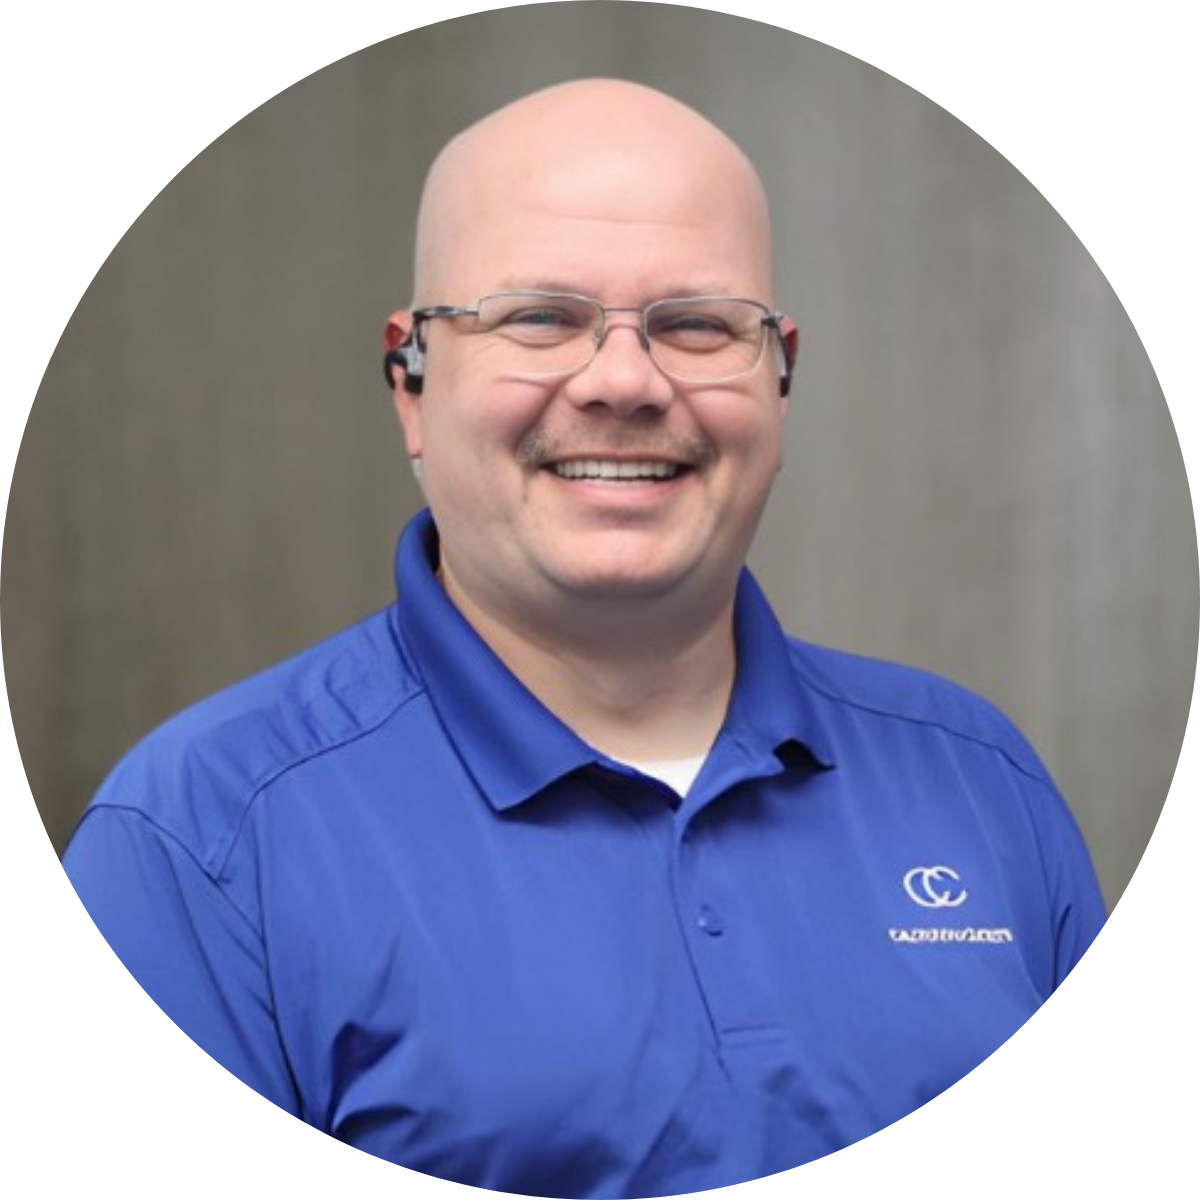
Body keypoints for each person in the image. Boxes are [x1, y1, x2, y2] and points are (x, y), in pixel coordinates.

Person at [63, 79, 1105, 1198]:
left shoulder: (982, 785)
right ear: (411, 382)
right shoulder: (197, 843)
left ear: (781, 376)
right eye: (540, 318)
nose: (623, 381)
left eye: (699, 325)